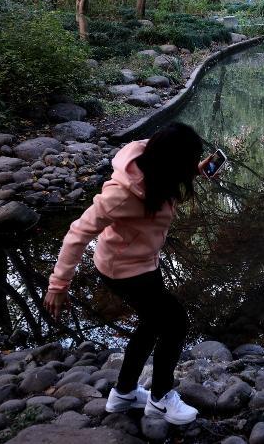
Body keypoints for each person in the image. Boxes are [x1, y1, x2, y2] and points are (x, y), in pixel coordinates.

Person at [43, 122, 211, 426]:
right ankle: (160, 398)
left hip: (145, 262)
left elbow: (161, 197)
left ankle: (124, 394)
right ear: (171, 161)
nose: (188, 167)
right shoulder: (121, 195)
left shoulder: (159, 170)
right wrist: (58, 284)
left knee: (151, 324)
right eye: (187, 161)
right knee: (174, 322)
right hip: (123, 270)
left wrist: (195, 170)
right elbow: (76, 233)